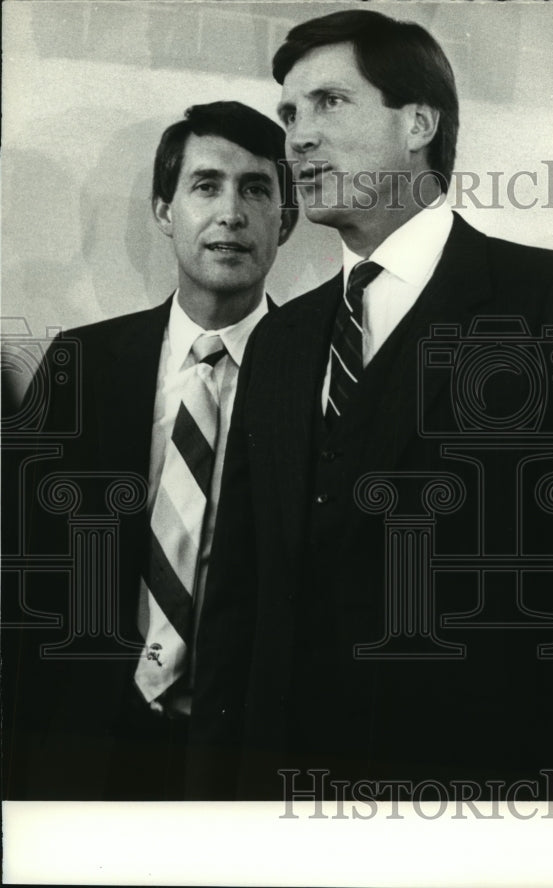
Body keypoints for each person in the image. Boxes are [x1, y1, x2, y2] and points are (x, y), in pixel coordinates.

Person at [189, 9, 553, 801]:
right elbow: (238, 606)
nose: (298, 138)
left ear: (418, 122)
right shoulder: (280, 342)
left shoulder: (550, 299)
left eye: (330, 104)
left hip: (483, 806)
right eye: (289, 114)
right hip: (280, 812)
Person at [2, 101, 297, 800]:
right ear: (164, 209)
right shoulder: (81, 364)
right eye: (206, 186)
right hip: (83, 744)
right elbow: (24, 576)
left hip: (249, 756)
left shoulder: (321, 376)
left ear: (285, 220)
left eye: (256, 189)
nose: (231, 213)